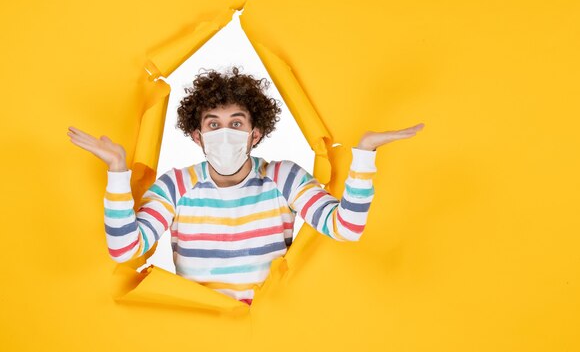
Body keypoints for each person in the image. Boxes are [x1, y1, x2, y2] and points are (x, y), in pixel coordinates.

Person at [68, 67, 424, 305]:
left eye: (236, 123)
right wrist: (117, 170)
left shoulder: (283, 177)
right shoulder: (176, 185)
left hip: (269, 330)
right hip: (201, 330)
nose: (225, 133)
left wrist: (364, 155)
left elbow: (345, 228)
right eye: (214, 124)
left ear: (256, 133)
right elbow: (125, 249)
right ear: (198, 135)